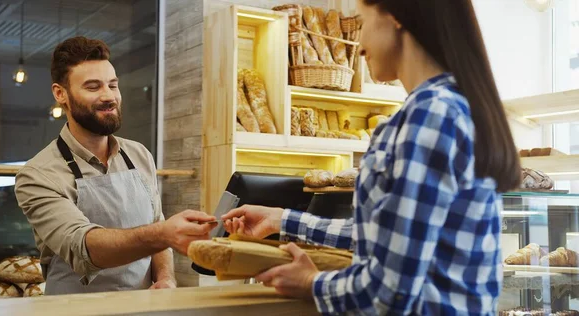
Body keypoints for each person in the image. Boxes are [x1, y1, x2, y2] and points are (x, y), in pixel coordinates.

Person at [222, 0, 522, 314]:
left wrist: (311, 283)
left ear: (394, 17)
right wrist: (281, 220)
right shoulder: (446, 106)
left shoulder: (430, 114)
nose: (360, 45)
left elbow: (389, 291)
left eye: (362, 22)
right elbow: (393, 238)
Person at [15, 37, 217, 295]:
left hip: (142, 310)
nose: (109, 96)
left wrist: (166, 278)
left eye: (113, 85)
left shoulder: (139, 154)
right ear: (60, 94)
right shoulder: (38, 174)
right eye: (93, 87)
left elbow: (156, 221)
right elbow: (84, 247)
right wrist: (163, 234)